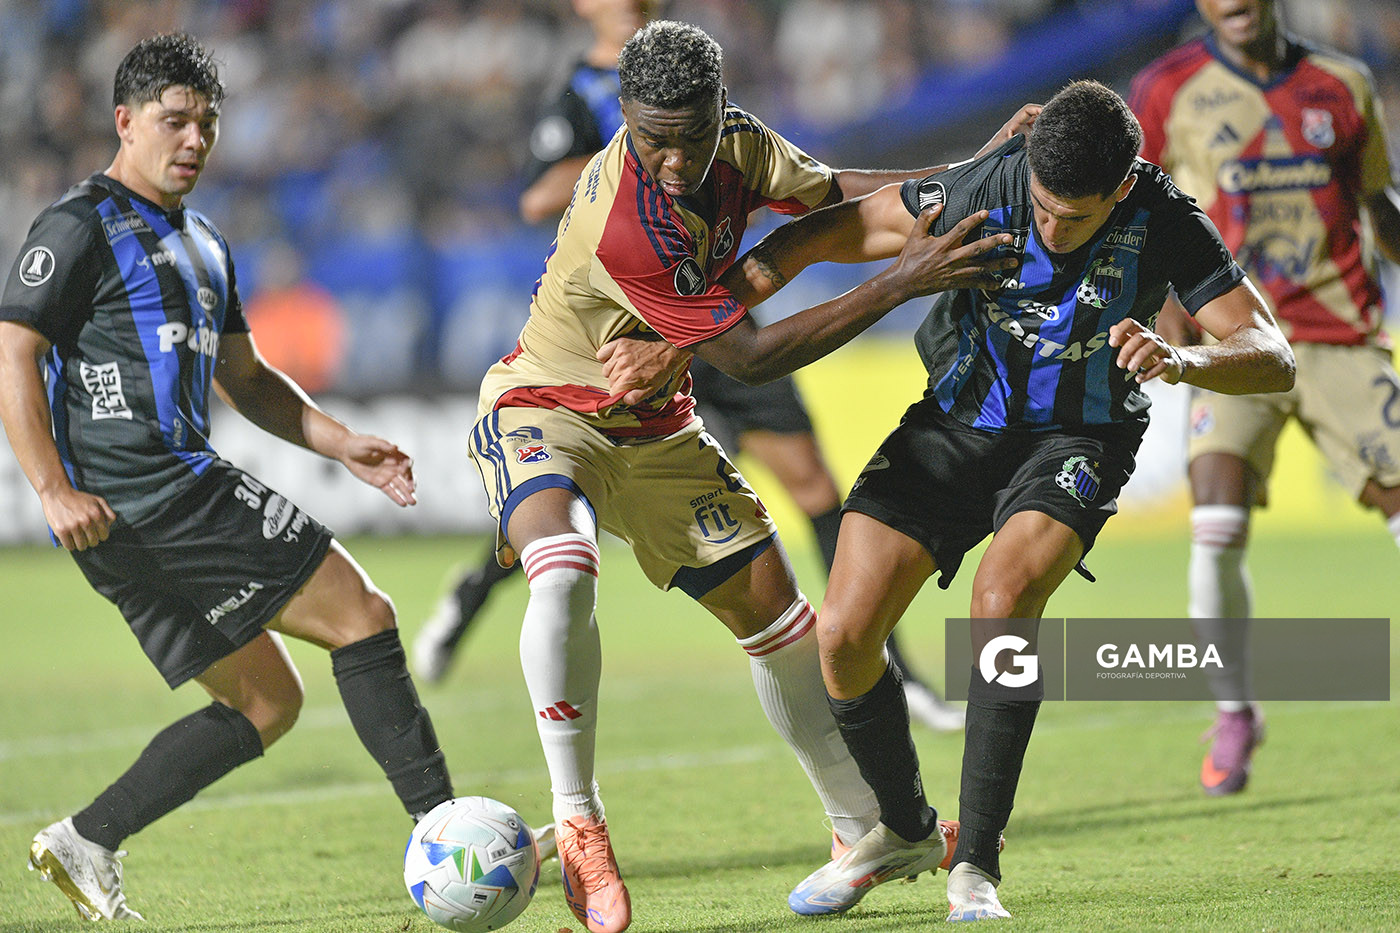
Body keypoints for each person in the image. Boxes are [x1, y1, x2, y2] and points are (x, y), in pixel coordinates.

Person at [670, 80, 1292, 921]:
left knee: (1000, 604)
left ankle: (978, 866)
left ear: (1121, 186)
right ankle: (905, 829)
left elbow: (1269, 350)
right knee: (846, 632)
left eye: (1076, 217)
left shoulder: (1167, 217)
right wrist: (707, 312)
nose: (1050, 228)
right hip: (955, 423)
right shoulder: (990, 186)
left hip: (1078, 440)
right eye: (1042, 206)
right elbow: (824, 232)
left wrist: (1184, 363)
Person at [463, 20, 1029, 933]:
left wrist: (975, 173)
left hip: (657, 429)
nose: (678, 159)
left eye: (692, 133)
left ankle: (865, 831)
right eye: (655, 139)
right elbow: (753, 357)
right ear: (624, 119)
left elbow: (835, 197)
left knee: (782, 623)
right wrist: (899, 283)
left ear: (720, 110)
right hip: (548, 406)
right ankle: (578, 820)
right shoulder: (625, 219)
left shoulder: (736, 142)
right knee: (564, 567)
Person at [0, 34, 456, 921]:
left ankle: (88, 837)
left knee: (267, 701)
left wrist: (338, 441)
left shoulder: (204, 241)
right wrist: (49, 487)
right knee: (363, 616)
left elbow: (246, 380)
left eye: (208, 122)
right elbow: (14, 350)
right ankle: (449, 833)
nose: (195, 139)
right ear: (124, 123)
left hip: (131, 522)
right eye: (174, 121)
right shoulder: (79, 225)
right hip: (157, 490)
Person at [413, 0, 965, 733]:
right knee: (578, 520)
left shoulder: (711, 111)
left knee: (812, 483)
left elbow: (831, 195)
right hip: (625, 331)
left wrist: (971, 173)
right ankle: (473, 594)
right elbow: (538, 195)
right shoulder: (582, 95)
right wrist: (635, 146)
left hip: (717, 311)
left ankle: (886, 664)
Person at [1129, 0, 1400, 796]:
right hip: (1236, 341)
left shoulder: (1342, 84)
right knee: (1215, 526)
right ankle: (1235, 707)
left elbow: (1377, 203)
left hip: (1339, 333)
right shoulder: (1165, 88)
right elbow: (1136, 211)